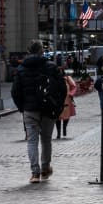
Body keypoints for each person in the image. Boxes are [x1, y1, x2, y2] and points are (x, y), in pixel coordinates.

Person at [11, 41, 65, 184]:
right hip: (48, 108)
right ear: (42, 51)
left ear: (28, 51)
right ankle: (45, 169)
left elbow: (15, 92)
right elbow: (62, 88)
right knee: (46, 140)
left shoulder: (21, 68)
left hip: (30, 110)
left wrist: (22, 107)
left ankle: (35, 173)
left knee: (32, 142)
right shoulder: (51, 66)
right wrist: (58, 106)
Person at [55, 72, 77, 139]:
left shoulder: (68, 78)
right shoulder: (54, 78)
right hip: (57, 99)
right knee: (57, 116)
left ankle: (64, 128)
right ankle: (58, 133)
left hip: (67, 99)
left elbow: (74, 86)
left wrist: (71, 94)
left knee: (67, 115)